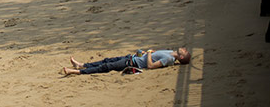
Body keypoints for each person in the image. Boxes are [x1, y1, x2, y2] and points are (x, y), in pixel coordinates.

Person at [63, 47, 191, 75]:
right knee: (106, 60)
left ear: (180, 58)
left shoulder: (169, 59)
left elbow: (151, 66)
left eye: (185, 52)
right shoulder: (170, 52)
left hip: (133, 63)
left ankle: (74, 72)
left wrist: (150, 54)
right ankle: (81, 65)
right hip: (132, 57)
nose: (184, 49)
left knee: (106, 66)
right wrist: (145, 53)